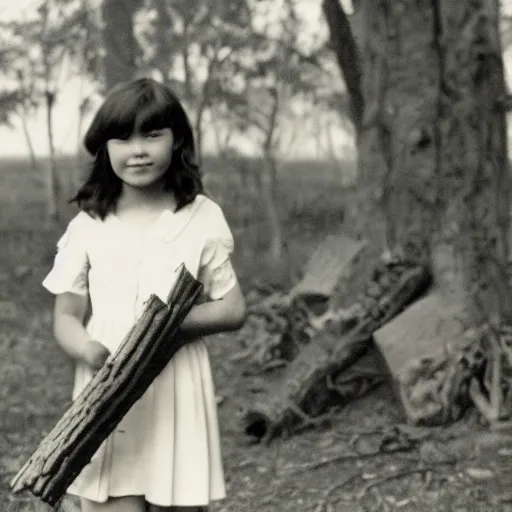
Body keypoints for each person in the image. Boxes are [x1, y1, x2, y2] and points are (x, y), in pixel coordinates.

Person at [42, 77, 246, 512]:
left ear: (176, 142)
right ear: (104, 148)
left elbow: (233, 307)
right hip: (107, 387)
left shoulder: (201, 216)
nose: (137, 150)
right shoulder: (88, 226)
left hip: (175, 383)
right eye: (122, 137)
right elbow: (66, 315)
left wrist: (168, 328)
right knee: (111, 500)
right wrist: (86, 348)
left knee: (178, 500)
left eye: (152, 135)